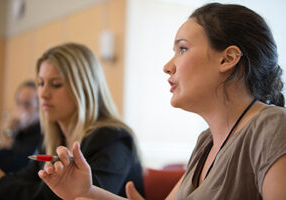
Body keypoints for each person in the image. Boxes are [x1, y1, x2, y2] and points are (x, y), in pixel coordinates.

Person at [37, 3, 286, 200]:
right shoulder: (206, 142)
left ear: (228, 58)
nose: (168, 66)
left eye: (183, 49)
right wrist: (85, 191)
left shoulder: (273, 126)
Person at [0, 43, 144, 200]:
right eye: (41, 83)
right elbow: (25, 180)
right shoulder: (54, 138)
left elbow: (77, 197)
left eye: (56, 84)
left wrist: (1, 185)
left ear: (83, 88)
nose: (43, 94)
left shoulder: (112, 139)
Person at [0, 80, 41, 173]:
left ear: (39, 109)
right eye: (19, 103)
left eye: (27, 104)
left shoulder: (40, 135)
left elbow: (13, 165)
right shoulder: (17, 131)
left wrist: (10, 133)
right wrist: (9, 131)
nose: (21, 109)